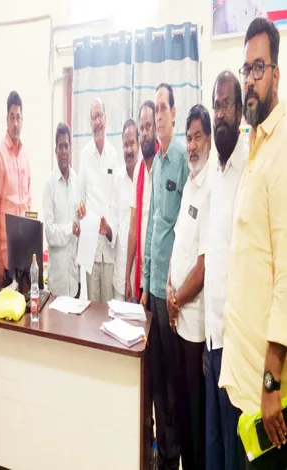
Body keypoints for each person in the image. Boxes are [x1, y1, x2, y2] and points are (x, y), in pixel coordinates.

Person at [221, 17, 287, 469]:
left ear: (276, 75)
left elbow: (285, 277)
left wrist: (270, 384)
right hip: (246, 386)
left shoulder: (281, 149)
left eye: (258, 68)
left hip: (269, 396)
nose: (250, 80)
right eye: (246, 69)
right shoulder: (256, 143)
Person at [142, 83, 190, 470]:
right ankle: (162, 451)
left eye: (163, 108)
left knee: (175, 383)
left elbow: (186, 230)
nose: (158, 115)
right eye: (155, 109)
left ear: (174, 113)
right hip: (154, 289)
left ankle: (174, 456)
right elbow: (152, 225)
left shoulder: (183, 158)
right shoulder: (156, 163)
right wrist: (144, 283)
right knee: (156, 376)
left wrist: (175, 285)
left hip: (174, 293)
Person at [204, 71, 246, 470]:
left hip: (235, 346)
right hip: (211, 340)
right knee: (213, 447)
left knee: (233, 454)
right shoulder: (215, 172)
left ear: (240, 111)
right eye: (216, 105)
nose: (220, 113)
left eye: (227, 105)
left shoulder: (247, 168)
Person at [168, 104, 212, 470]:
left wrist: (177, 299)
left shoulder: (211, 186)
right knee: (182, 409)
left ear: (208, 139)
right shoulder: (190, 183)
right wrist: (170, 292)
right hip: (179, 318)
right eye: (189, 137)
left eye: (198, 136)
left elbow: (204, 265)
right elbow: (181, 244)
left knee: (197, 420)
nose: (192, 145)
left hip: (196, 326)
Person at [77, 97, 120, 302]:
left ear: (106, 118)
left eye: (99, 116)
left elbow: (118, 202)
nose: (97, 122)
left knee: (108, 307)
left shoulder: (114, 155)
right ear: (90, 122)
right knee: (93, 309)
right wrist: (80, 209)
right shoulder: (85, 155)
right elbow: (80, 199)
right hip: (91, 248)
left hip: (109, 247)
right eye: (93, 118)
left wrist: (110, 230)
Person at [0, 91, 32, 291]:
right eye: (12, 117)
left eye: (18, 118)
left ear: (22, 121)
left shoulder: (25, 156)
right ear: (7, 119)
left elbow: (28, 205)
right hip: (5, 260)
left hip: (23, 256)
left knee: (25, 308)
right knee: (5, 310)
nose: (15, 123)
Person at [43, 123, 82, 298]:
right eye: (61, 146)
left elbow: (80, 226)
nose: (64, 151)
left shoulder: (78, 183)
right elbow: (50, 232)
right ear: (56, 150)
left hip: (74, 280)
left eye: (67, 146)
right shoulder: (49, 185)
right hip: (57, 283)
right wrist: (70, 229)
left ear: (71, 149)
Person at [125, 101, 159, 302]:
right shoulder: (138, 170)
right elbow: (133, 229)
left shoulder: (163, 163)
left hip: (159, 277)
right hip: (140, 274)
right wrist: (127, 276)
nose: (145, 133)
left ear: (156, 127)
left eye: (149, 126)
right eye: (142, 128)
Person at [110, 118, 139, 301]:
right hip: (120, 272)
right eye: (125, 145)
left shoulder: (146, 177)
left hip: (139, 276)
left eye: (132, 143)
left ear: (139, 144)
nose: (128, 150)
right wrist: (108, 230)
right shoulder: (117, 179)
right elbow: (114, 222)